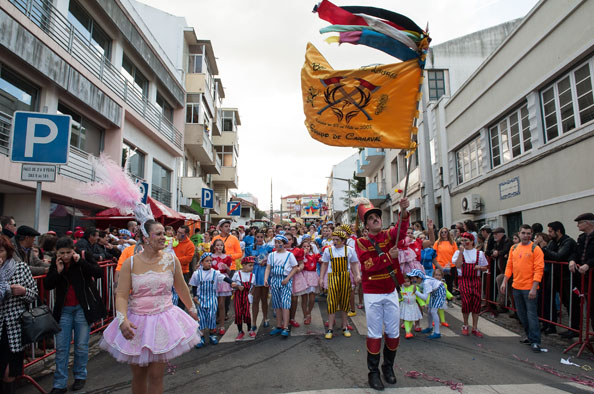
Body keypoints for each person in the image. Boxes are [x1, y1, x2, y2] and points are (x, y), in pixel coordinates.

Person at [100, 220, 199, 394]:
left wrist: (192, 309)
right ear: (145, 238)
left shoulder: (170, 259)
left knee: (156, 375)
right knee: (139, 375)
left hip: (163, 320)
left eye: (164, 234)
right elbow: (122, 294)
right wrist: (122, 320)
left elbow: (181, 286)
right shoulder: (130, 263)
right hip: (137, 322)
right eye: (159, 234)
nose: (165, 237)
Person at [354, 197, 409, 391]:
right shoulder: (360, 242)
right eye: (372, 218)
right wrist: (388, 257)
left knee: (394, 333)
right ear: (366, 224)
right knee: (374, 333)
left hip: (391, 291)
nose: (376, 219)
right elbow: (368, 266)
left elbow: (401, 229)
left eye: (378, 216)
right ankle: (373, 373)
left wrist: (403, 211)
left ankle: (388, 368)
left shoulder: (389, 235)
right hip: (372, 293)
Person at [45, 237, 107, 394]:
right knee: (62, 348)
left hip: (81, 308)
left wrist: (80, 262)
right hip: (64, 310)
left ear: (73, 250)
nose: (65, 256)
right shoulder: (56, 262)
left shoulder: (83, 256)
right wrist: (58, 271)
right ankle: (59, 384)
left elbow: (98, 273)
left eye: (68, 252)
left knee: (81, 346)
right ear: (56, 253)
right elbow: (48, 284)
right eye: (62, 253)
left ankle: (80, 376)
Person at [0, 235, 38, 394]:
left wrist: (23, 292)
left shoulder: (21, 267)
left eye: (1, 250)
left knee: (10, 373)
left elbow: (34, 294)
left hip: (14, 327)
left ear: (8, 251)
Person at [501, 224, 544, 353]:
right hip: (516, 287)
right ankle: (529, 336)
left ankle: (535, 340)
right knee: (521, 315)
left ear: (531, 235)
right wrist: (504, 281)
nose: (526, 236)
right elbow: (509, 266)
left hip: (529, 288)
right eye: (523, 233)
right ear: (519, 234)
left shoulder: (535, 249)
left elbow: (539, 269)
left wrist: (534, 288)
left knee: (531, 315)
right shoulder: (514, 248)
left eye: (528, 233)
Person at [539, 221, 578, 338]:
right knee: (548, 299)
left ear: (558, 231)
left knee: (570, 302)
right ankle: (550, 324)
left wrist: (544, 249)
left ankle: (575, 328)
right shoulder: (554, 242)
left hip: (567, 277)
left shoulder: (568, 242)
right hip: (555, 275)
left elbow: (558, 256)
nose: (549, 233)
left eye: (551, 231)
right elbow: (546, 255)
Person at [319, 230, 361, 340]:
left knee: (344, 302)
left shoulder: (350, 250)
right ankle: (330, 328)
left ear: (343, 240)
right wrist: (321, 278)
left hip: (345, 277)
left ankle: (344, 326)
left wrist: (357, 275)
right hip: (332, 277)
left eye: (337, 240)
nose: (334, 241)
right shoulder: (328, 251)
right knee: (332, 302)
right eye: (333, 239)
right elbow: (324, 264)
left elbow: (354, 263)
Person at [190, 253, 235, 348]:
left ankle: (211, 335)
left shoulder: (215, 273)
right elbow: (194, 285)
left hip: (212, 297)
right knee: (201, 318)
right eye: (207, 261)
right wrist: (195, 296)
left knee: (211, 316)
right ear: (202, 262)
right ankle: (201, 337)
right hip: (200, 298)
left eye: (210, 261)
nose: (209, 263)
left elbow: (224, 278)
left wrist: (232, 283)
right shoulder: (197, 273)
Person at [453, 232, 489, 337]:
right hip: (464, 280)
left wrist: (479, 267)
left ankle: (475, 327)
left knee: (476, 303)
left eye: (466, 240)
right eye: (462, 240)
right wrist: (460, 252)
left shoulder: (479, 253)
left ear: (472, 241)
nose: (463, 243)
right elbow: (457, 265)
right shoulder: (458, 253)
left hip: (476, 280)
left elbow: (486, 267)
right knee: (466, 302)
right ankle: (465, 325)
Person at [264, 235, 299, 338]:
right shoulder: (271, 255)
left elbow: (295, 268)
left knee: (285, 304)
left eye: (279, 242)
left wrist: (288, 278)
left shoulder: (289, 255)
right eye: (276, 242)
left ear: (284, 244)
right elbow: (268, 268)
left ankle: (285, 327)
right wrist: (266, 279)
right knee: (277, 304)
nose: (277, 244)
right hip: (274, 280)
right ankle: (279, 325)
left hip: (285, 280)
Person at [568, 213, 594, 332]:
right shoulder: (582, 238)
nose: (578, 225)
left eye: (580, 223)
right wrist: (572, 260)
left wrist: (589, 264)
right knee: (590, 307)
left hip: (591, 273)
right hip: (585, 277)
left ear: (588, 223)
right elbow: (576, 252)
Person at [244, 230, 273, 329]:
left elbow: (273, 256)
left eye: (261, 237)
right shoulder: (249, 248)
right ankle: (254, 322)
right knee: (255, 299)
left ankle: (265, 318)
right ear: (255, 237)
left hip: (264, 273)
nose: (259, 239)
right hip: (254, 273)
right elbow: (244, 261)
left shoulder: (268, 247)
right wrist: (250, 261)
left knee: (264, 298)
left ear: (264, 238)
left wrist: (267, 260)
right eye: (258, 237)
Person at [407, 269, 447, 339]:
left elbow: (425, 297)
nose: (412, 280)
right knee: (429, 311)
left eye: (413, 278)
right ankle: (430, 327)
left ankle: (437, 332)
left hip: (440, 292)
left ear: (419, 278)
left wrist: (415, 292)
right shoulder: (423, 280)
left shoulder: (426, 283)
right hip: (434, 292)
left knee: (433, 311)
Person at [211, 239, 233, 336]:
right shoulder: (210, 257)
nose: (219, 247)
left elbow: (229, 272)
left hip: (223, 281)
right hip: (213, 281)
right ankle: (213, 326)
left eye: (221, 245)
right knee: (213, 304)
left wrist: (226, 268)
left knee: (221, 304)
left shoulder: (227, 258)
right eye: (217, 245)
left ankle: (222, 326)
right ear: (214, 246)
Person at [232, 256, 256, 340]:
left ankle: (250, 329)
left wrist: (250, 294)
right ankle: (240, 331)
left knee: (246, 313)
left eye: (252, 265)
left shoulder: (252, 275)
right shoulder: (237, 274)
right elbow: (232, 284)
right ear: (243, 265)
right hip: (238, 295)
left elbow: (253, 287)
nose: (252, 267)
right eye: (250, 265)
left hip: (246, 296)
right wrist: (237, 287)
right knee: (238, 313)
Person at [492, 228, 514, 312]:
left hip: (508, 270)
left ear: (502, 234)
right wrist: (494, 252)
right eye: (494, 234)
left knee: (509, 289)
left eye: (496, 233)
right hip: (502, 270)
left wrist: (499, 253)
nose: (495, 235)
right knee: (500, 281)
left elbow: (505, 250)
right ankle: (503, 304)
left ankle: (508, 305)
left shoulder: (507, 241)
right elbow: (492, 250)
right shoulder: (497, 242)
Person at [286, 233, 305, 329]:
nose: (287, 241)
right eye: (286, 239)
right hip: (283, 277)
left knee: (294, 299)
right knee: (284, 299)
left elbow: (302, 264)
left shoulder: (298, 251)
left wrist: (299, 268)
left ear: (293, 241)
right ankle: (284, 319)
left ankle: (292, 318)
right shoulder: (278, 250)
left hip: (295, 276)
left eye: (289, 239)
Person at [300, 238, 320, 325]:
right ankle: (306, 315)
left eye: (308, 246)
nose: (306, 248)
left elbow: (322, 259)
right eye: (304, 246)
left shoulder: (314, 255)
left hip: (312, 276)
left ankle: (309, 312)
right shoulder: (300, 256)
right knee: (304, 298)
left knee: (312, 298)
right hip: (303, 276)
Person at [434, 227, 458, 299]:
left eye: (445, 232)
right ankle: (439, 298)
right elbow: (434, 255)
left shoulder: (453, 243)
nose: (444, 233)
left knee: (449, 284)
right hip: (440, 266)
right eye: (442, 232)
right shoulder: (437, 243)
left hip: (451, 266)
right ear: (440, 233)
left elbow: (456, 254)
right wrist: (434, 266)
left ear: (448, 233)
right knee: (438, 283)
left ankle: (449, 299)